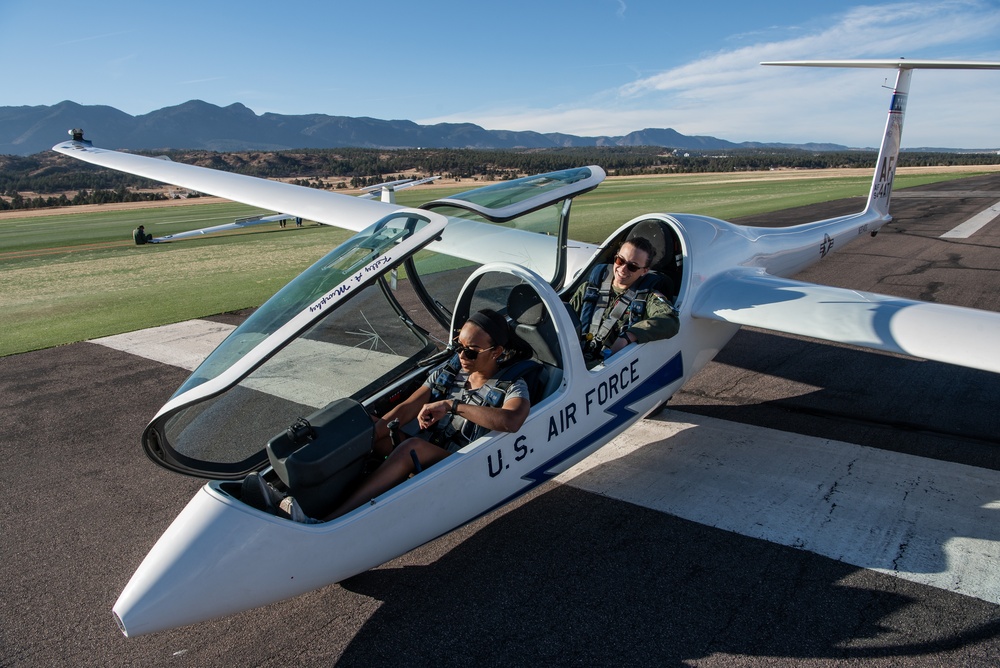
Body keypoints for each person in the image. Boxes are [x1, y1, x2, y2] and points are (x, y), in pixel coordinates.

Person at [243, 308, 532, 522]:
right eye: (458, 347)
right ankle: (287, 488)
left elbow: (511, 421)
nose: (461, 357)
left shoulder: (512, 386)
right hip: (425, 451)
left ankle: (328, 519)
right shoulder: (450, 372)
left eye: (471, 352)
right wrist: (374, 431)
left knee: (411, 447)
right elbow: (406, 408)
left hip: (461, 464)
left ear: (496, 352)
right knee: (367, 427)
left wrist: (450, 406)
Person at [569, 236, 678, 362]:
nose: (622, 269)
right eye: (620, 260)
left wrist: (628, 336)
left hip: (607, 365)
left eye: (632, 266)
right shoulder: (589, 289)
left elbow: (671, 321)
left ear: (644, 271)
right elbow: (566, 319)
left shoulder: (647, 297)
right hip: (576, 357)